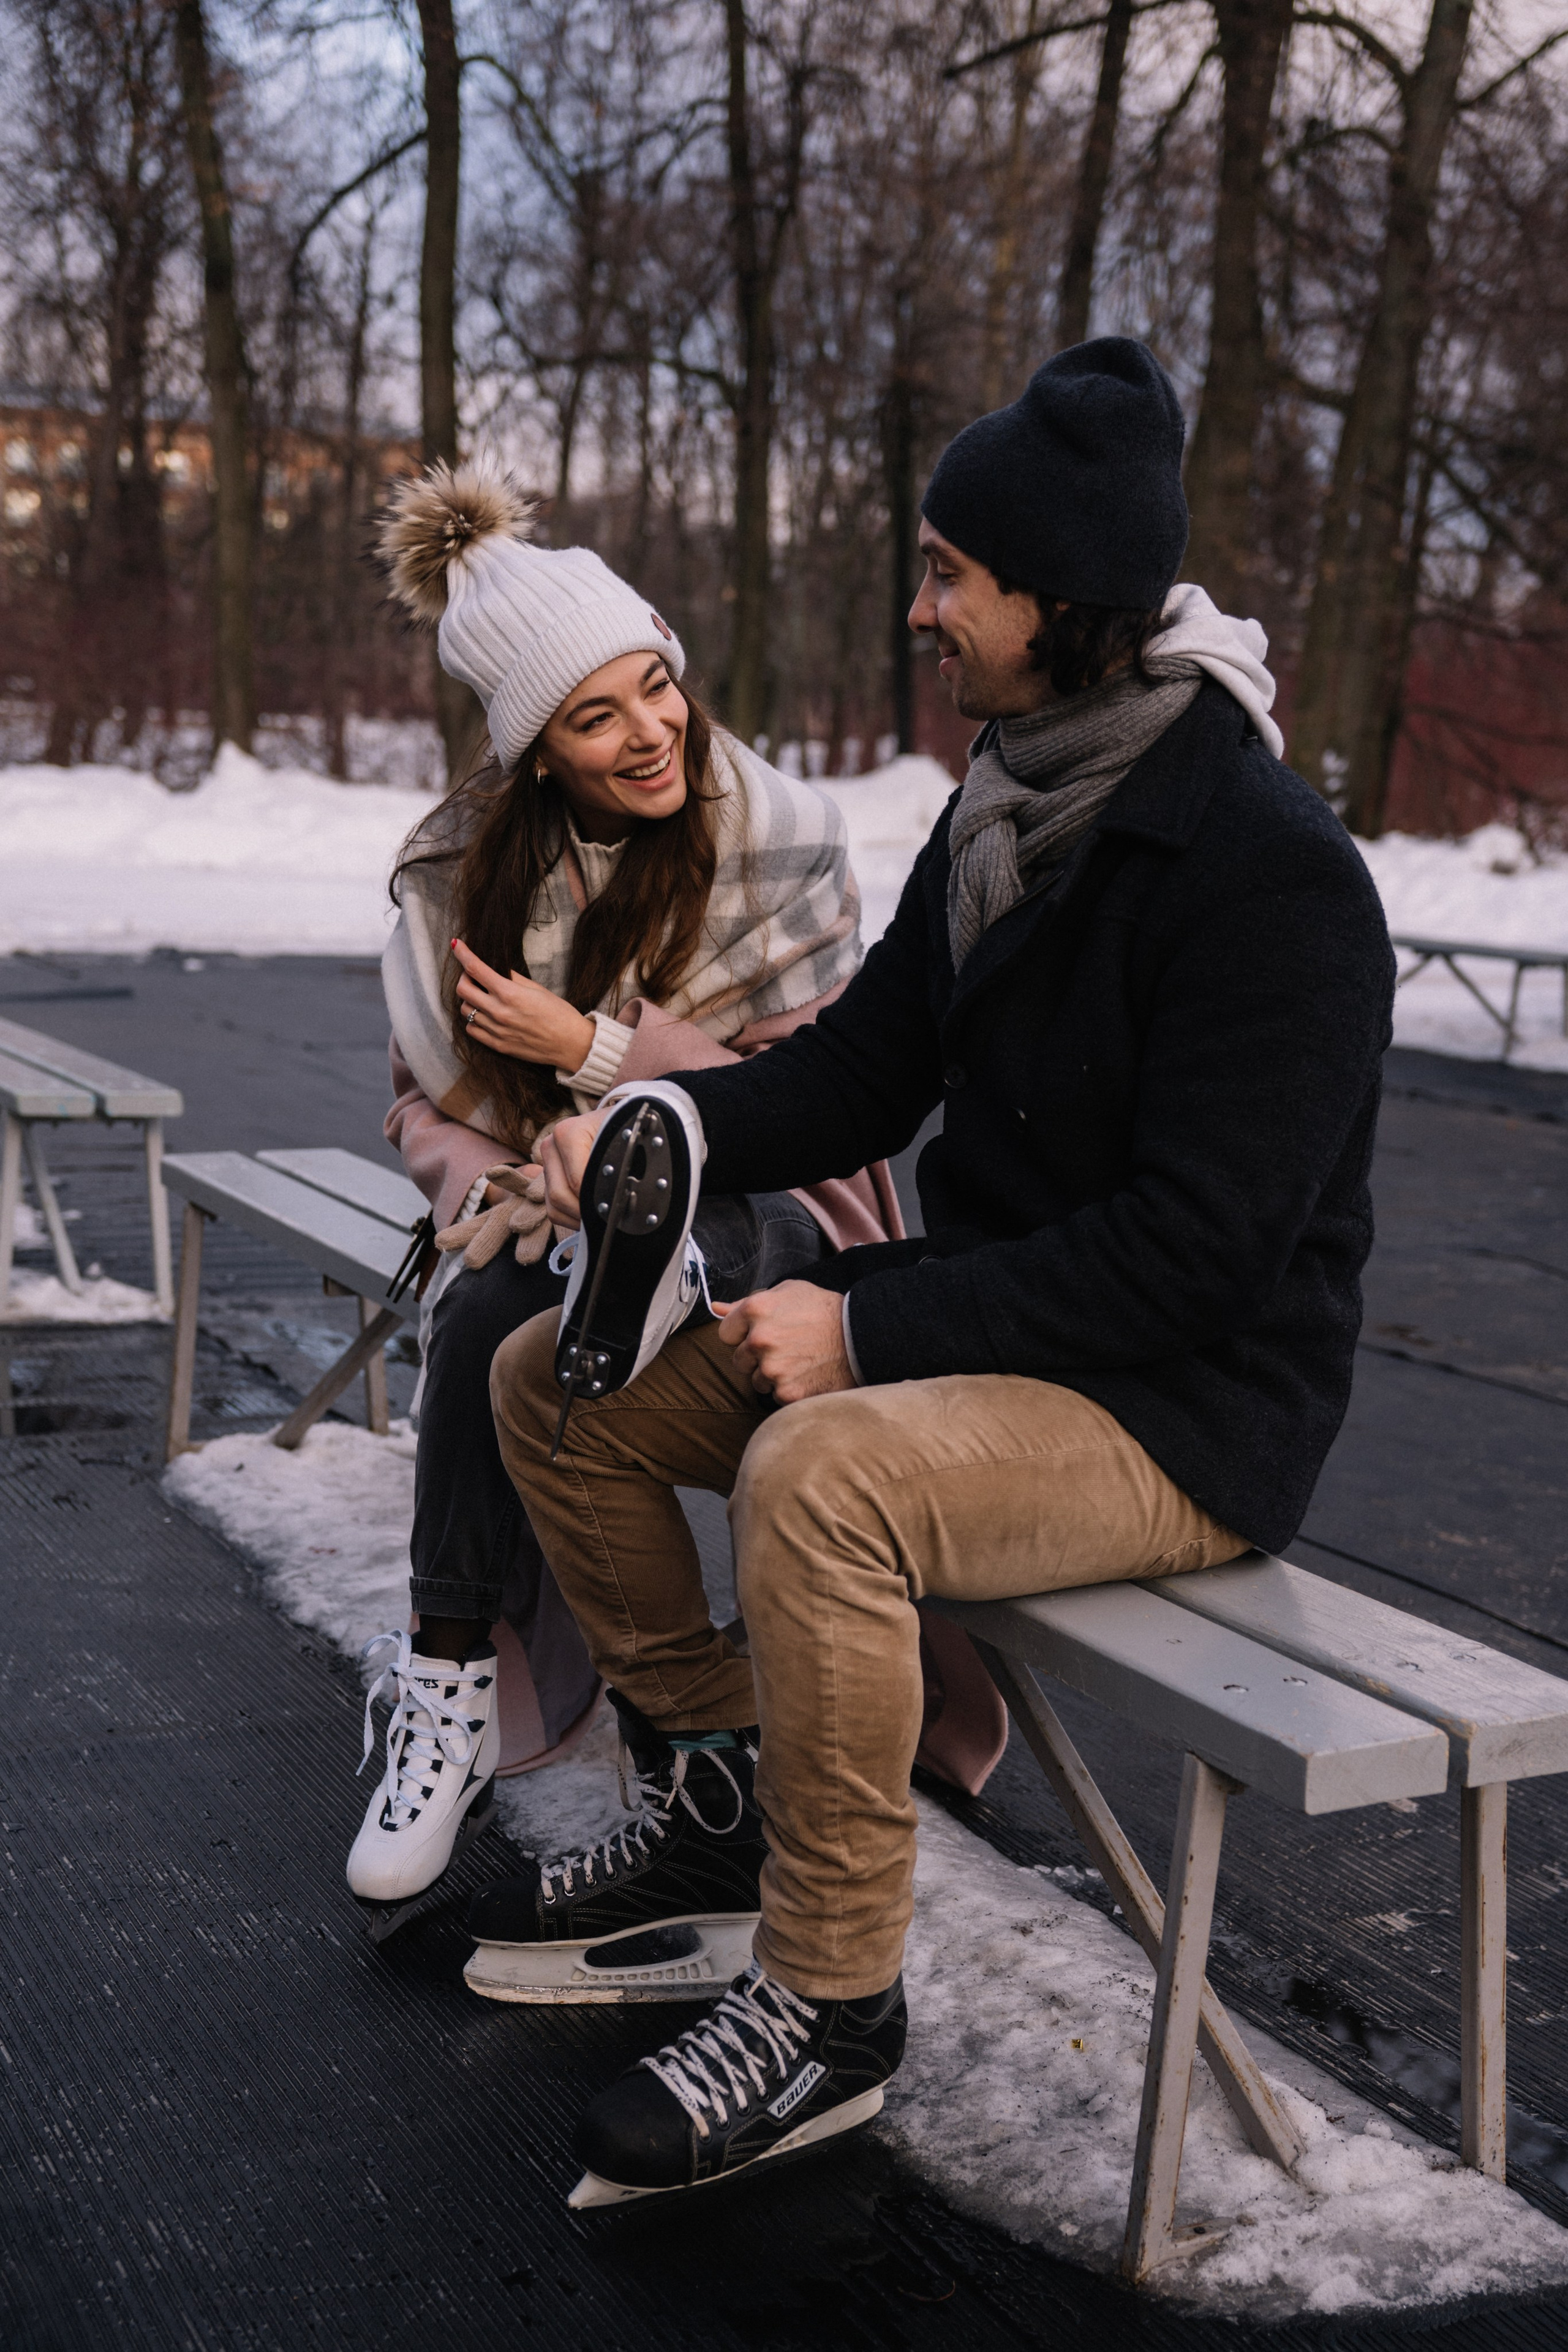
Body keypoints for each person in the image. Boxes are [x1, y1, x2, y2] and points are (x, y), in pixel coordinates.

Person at [480, 336, 1397, 2205]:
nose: (923, 612)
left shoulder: (1267, 871)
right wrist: (654, 1126)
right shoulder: (1007, 800)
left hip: (1188, 1410)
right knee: (544, 1389)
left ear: (1055, 600)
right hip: (999, 1339)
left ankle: (830, 2005)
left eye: (947, 577)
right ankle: (723, 1789)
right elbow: (862, 1070)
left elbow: (1204, 1258)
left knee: (824, 1478)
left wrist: (874, 1322)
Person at [347, 459, 902, 1925]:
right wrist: (504, 1182)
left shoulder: (777, 844)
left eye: (655, 684)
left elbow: (819, 1106)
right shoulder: (464, 877)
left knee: (622, 1256)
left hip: (781, 1221)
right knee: (492, 1312)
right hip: (560, 1230)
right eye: (596, 717)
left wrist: (597, 1054)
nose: (651, 729)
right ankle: (452, 1682)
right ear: (535, 752)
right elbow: (423, 1103)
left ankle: (682, 1743)